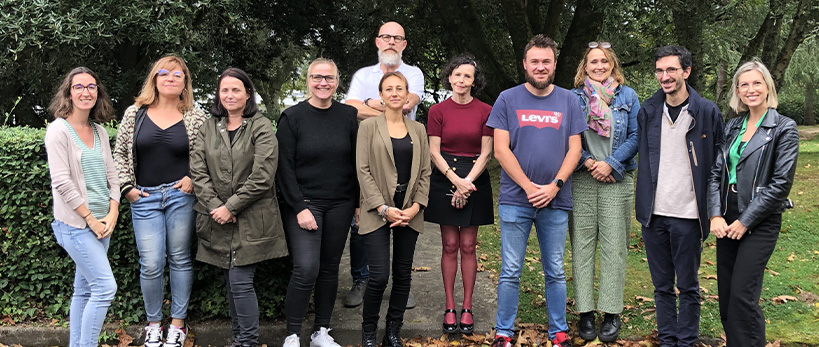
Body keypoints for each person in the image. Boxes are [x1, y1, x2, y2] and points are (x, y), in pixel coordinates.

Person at [486, 35, 586, 347]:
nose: (540, 67)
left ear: (554, 64)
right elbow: (501, 150)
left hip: (556, 200)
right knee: (511, 269)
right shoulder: (507, 99)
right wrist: (530, 187)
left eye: (546, 61)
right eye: (535, 61)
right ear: (525, 64)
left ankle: (559, 332)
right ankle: (503, 332)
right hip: (516, 199)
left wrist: (554, 186)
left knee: (555, 270)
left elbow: (575, 150)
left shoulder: (569, 100)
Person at [113, 55, 208, 347]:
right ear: (154, 78)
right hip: (144, 197)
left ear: (185, 83)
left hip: (181, 197)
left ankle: (177, 324)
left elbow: (207, 155)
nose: (170, 78)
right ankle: (154, 323)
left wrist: (193, 178)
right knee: (151, 263)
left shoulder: (195, 115)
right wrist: (127, 187)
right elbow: (119, 154)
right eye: (164, 73)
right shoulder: (135, 113)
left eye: (177, 75)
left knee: (179, 259)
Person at [189, 68, 287, 347]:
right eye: (224, 90)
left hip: (252, 218)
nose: (230, 95)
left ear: (247, 94)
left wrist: (231, 206)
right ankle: (241, 339)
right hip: (216, 218)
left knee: (240, 280)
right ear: (218, 95)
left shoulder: (261, 125)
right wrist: (215, 206)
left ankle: (247, 341)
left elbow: (263, 176)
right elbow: (198, 170)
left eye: (236, 90)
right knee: (232, 281)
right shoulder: (209, 127)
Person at [635, 45, 724, 347]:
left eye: (671, 70)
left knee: (688, 286)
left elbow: (718, 165)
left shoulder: (707, 112)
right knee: (661, 287)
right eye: (660, 70)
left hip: (688, 215)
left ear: (686, 72)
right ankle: (668, 341)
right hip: (654, 214)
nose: (665, 76)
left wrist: (714, 209)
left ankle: (686, 342)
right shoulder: (647, 111)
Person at [707, 61, 798, 347]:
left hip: (758, 221)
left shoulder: (784, 128)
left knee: (742, 300)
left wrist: (746, 220)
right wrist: (714, 216)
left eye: (757, 82)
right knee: (726, 301)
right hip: (727, 219)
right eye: (744, 84)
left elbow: (781, 184)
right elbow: (715, 174)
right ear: (737, 91)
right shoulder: (733, 125)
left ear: (768, 86)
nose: (751, 89)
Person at [277, 59, 359, 347]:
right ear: (307, 80)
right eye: (317, 77)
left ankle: (320, 332)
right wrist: (299, 207)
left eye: (329, 78)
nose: (323, 83)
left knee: (329, 268)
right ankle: (292, 334)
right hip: (305, 203)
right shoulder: (292, 117)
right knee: (306, 267)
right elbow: (283, 167)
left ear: (338, 81)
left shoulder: (349, 115)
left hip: (341, 203)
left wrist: (358, 204)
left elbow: (355, 162)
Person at [344, 21, 425, 310]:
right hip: (369, 150)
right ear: (377, 41)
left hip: (404, 151)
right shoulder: (363, 74)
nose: (391, 42)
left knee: (404, 216)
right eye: (386, 37)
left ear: (404, 44)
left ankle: (402, 284)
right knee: (364, 215)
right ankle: (361, 279)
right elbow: (350, 108)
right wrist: (382, 105)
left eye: (397, 38)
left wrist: (370, 103)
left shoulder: (413, 73)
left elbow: (406, 105)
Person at [569, 42, 640, 342]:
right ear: (584, 67)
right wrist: (589, 162)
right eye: (592, 62)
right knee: (582, 248)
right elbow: (567, 136)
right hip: (583, 178)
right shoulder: (572, 98)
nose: (598, 66)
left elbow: (637, 135)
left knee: (615, 248)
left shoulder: (628, 96)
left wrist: (610, 164)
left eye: (604, 62)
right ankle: (585, 313)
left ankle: (611, 312)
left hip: (617, 179)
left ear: (613, 65)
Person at [46, 67, 119, 347]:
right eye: (79, 87)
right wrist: (90, 219)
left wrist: (112, 212)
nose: (86, 92)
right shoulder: (58, 131)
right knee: (104, 288)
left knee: (84, 290)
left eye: (91, 87)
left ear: (97, 92)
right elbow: (62, 183)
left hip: (103, 223)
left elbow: (112, 176)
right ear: (69, 92)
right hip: (77, 226)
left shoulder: (99, 131)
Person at [356, 72, 431, 347]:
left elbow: (425, 171)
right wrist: (382, 207)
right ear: (381, 95)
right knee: (378, 276)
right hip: (377, 209)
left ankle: (392, 332)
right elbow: (362, 171)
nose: (395, 93)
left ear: (408, 94)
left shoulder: (418, 130)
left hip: (409, 209)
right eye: (389, 88)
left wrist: (415, 207)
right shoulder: (367, 127)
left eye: (400, 88)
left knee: (402, 275)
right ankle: (368, 332)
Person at [425, 55, 493, 335]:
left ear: (474, 81)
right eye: (457, 75)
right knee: (450, 245)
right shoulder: (437, 111)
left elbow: (488, 151)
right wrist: (454, 180)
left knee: (468, 245)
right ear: (449, 78)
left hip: (475, 176)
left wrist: (466, 182)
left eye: (468, 76)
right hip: (445, 177)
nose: (462, 80)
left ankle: (467, 306)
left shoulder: (487, 110)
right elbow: (433, 151)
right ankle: (450, 306)